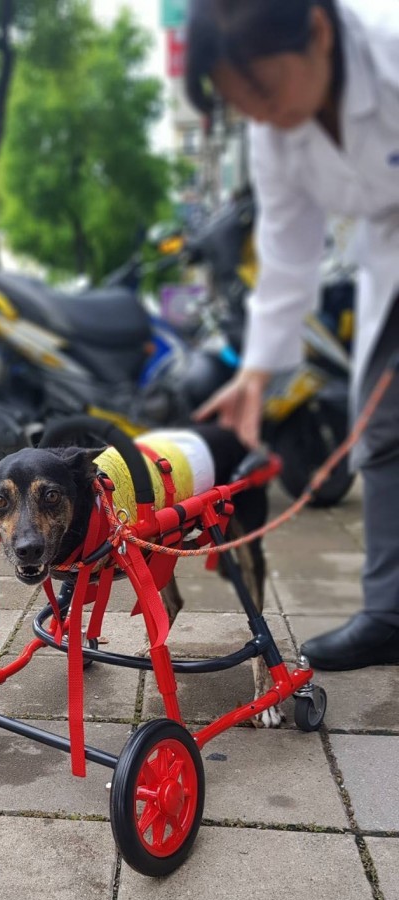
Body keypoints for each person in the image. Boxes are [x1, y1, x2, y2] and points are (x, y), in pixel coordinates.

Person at [185, 0, 399, 671]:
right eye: (237, 100)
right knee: (383, 431)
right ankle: (390, 614)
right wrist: (254, 375)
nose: (259, 114)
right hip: (388, 256)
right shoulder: (272, 134)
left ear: (320, 31)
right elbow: (286, 255)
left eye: (265, 89)